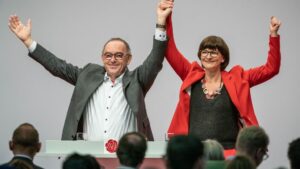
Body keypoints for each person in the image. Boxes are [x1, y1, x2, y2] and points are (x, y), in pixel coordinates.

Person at [8, 0, 172, 141]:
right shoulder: (87, 75)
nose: (112, 59)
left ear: (128, 59)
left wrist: (160, 21)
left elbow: (155, 59)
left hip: (127, 158)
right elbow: (57, 66)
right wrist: (29, 41)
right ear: (102, 58)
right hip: (91, 159)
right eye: (108, 55)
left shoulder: (138, 79)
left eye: (118, 55)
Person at [161, 0, 281, 154]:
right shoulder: (190, 74)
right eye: (204, 52)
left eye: (213, 52)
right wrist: (166, 18)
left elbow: (271, 68)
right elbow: (170, 50)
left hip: (229, 154)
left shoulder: (239, 78)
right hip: (194, 154)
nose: (208, 56)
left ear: (223, 58)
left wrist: (273, 35)